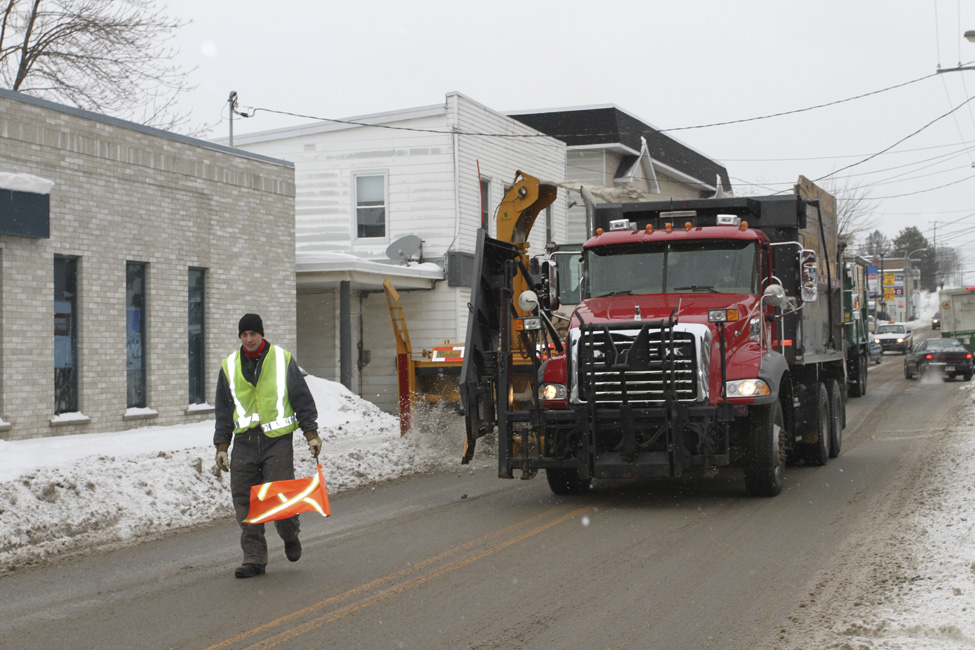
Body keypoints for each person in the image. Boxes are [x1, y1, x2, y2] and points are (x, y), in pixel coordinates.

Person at [213, 313, 322, 579]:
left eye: (253, 334)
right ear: (240, 337)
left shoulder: (282, 360)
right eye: (244, 335)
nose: (249, 339)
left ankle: (289, 534)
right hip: (245, 443)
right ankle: (254, 557)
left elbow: (301, 398)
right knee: (244, 499)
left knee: (279, 495)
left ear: (261, 334)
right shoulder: (229, 365)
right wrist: (222, 446)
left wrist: (312, 434)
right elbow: (224, 410)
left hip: (277, 441)